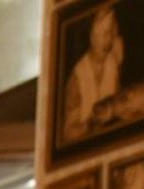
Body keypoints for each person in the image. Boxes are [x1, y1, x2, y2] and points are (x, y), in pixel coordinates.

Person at [61, 2, 124, 144]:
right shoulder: (77, 77)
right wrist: (90, 124)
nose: (104, 41)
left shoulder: (113, 61)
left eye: (109, 34)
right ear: (91, 36)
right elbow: (68, 133)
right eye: (99, 34)